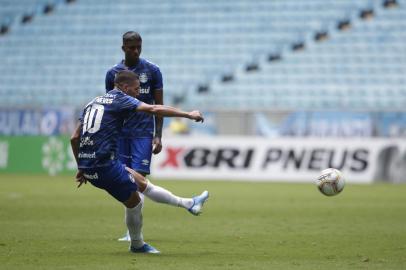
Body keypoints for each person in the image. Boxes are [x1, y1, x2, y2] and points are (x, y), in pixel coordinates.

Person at [70, 70, 209, 254]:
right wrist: (188, 114)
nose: (138, 93)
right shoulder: (120, 98)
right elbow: (153, 109)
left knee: (142, 184)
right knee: (135, 202)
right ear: (124, 87)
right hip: (104, 166)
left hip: (92, 164)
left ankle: (189, 203)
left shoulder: (92, 102)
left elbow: (74, 137)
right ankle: (137, 244)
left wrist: (82, 166)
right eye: (136, 89)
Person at [105, 31, 164, 241]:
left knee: (139, 178)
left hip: (143, 134)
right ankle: (132, 230)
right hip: (121, 135)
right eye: (131, 47)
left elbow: (158, 106)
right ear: (123, 48)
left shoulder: (153, 70)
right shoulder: (113, 73)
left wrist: (158, 136)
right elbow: (109, 107)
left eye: (139, 46)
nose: (136, 50)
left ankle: (133, 233)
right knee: (126, 181)